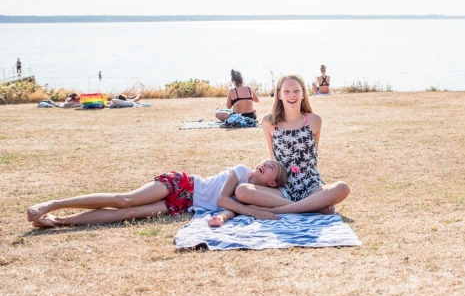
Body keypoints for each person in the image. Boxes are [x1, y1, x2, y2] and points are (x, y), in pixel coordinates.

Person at [26, 160, 288, 228]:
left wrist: (224, 218)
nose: (265, 163)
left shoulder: (250, 193)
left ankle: (59, 222)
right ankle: (54, 205)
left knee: (126, 214)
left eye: (271, 167)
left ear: (272, 182)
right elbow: (221, 199)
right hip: (183, 185)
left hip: (183, 205)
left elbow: (228, 208)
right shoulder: (241, 171)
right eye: (268, 161)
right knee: (124, 200)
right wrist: (254, 212)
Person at [234, 74, 350, 216]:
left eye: (296, 91)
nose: (292, 95)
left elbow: (314, 158)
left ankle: (282, 209)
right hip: (283, 187)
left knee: (343, 188)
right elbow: (273, 157)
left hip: (311, 185)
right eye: (286, 91)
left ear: (303, 94)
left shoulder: (314, 120)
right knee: (241, 190)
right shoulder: (268, 121)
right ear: (279, 95)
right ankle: (310, 207)